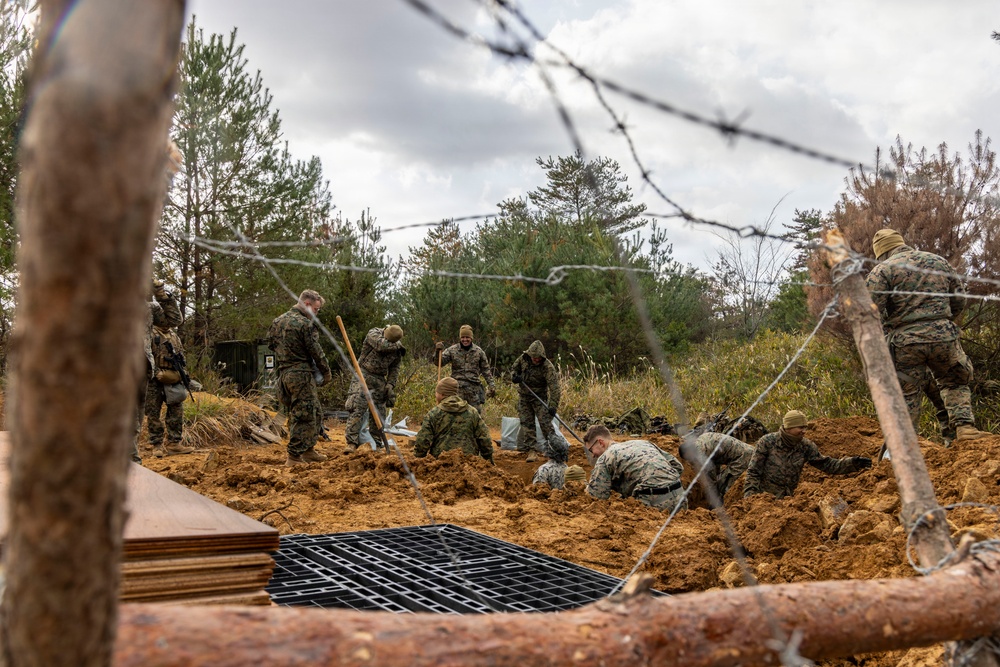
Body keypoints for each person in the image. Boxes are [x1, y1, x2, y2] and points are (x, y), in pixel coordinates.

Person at [866, 229, 990, 443]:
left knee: (906, 394)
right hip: (944, 336)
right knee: (954, 381)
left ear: (882, 252)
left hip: (905, 341)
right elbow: (959, 299)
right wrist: (941, 321)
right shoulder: (939, 262)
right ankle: (964, 428)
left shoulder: (882, 270)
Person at [268, 290, 333, 466]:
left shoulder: (277, 322)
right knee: (303, 414)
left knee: (315, 411)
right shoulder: (305, 324)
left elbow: (271, 345)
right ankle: (294, 456)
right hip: (301, 374)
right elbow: (316, 352)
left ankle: (308, 450)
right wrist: (326, 372)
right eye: (316, 309)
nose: (317, 313)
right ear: (307, 304)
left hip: (284, 373)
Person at [743, 410, 871, 499]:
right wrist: (750, 499)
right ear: (788, 427)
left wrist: (853, 463)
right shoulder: (767, 442)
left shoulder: (806, 446)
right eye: (800, 427)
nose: (804, 431)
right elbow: (753, 472)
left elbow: (828, 465)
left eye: (805, 427)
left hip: (789, 501)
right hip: (766, 500)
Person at [132, 281, 185, 464]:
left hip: (142, 371)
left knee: (136, 419)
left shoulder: (149, 308)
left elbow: (174, 321)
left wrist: (161, 294)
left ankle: (133, 462)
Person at [583, 424, 687, 512]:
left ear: (601, 442)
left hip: (653, 503)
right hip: (679, 497)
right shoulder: (643, 443)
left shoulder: (605, 457)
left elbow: (597, 496)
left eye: (591, 450)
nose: (592, 455)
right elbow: (678, 467)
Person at [344, 324, 405, 453]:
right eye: (390, 340)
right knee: (357, 408)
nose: (391, 343)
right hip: (363, 374)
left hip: (379, 379)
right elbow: (381, 346)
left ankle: (376, 442)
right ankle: (352, 443)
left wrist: (390, 384)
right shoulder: (374, 334)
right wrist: (399, 346)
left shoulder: (396, 349)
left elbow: (395, 369)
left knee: (379, 412)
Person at [414, 377, 494, 463]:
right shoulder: (472, 412)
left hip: (440, 465)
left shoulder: (433, 414)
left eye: (437, 392)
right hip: (469, 465)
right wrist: (488, 461)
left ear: (442, 394)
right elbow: (485, 440)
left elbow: (422, 443)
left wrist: (418, 461)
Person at [144, 324, 193, 456]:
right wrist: (156, 373)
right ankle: (157, 445)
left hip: (172, 378)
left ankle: (174, 444)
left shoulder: (174, 336)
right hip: (154, 380)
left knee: (176, 409)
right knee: (153, 412)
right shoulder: (149, 333)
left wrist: (181, 374)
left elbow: (181, 356)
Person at [509, 340, 560, 463]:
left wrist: (553, 405)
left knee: (545, 423)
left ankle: (555, 449)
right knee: (527, 424)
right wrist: (515, 377)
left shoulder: (547, 367)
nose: (535, 359)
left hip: (540, 398)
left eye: (538, 358)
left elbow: (555, 388)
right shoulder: (522, 359)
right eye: (534, 357)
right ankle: (531, 450)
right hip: (524, 397)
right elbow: (513, 370)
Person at [434, 325, 496, 415]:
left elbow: (486, 370)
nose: (465, 340)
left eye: (467, 337)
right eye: (463, 337)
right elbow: (439, 362)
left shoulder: (479, 352)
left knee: (476, 415)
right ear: (460, 338)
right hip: (457, 389)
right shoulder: (452, 350)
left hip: (473, 390)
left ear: (471, 338)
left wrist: (491, 385)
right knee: (455, 415)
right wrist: (437, 351)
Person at [680, 431, 753, 499]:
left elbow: (711, 479)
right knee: (721, 481)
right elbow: (714, 462)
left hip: (742, 458)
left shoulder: (701, 454)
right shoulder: (700, 441)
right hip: (744, 451)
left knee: (726, 489)